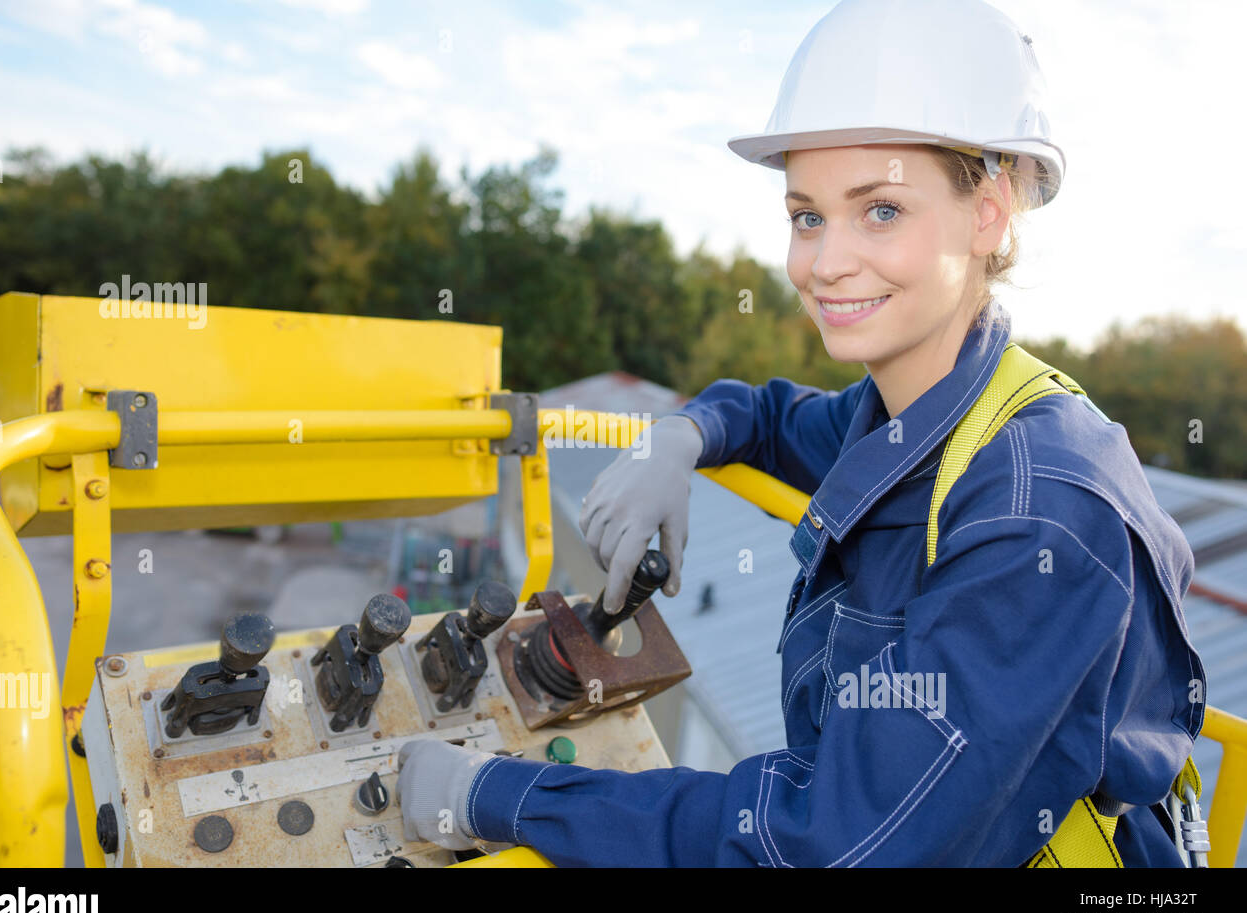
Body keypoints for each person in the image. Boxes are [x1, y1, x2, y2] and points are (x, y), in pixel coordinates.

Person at [396, 0, 1205, 866]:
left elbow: (833, 842)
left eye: (881, 210)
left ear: (990, 212)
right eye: (807, 214)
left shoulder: (1037, 516)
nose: (822, 262)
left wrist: (497, 796)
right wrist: (677, 439)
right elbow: (773, 416)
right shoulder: (921, 415)